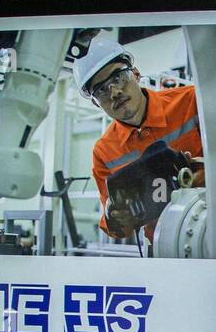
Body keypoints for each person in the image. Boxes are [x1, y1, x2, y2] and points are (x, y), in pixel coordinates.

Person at [73, 35, 203, 244]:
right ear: (97, 104)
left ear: (136, 74)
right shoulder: (104, 152)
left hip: (210, 228)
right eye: (101, 90)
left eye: (118, 77)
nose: (114, 92)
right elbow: (115, 227)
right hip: (163, 248)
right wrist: (114, 215)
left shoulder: (192, 102)